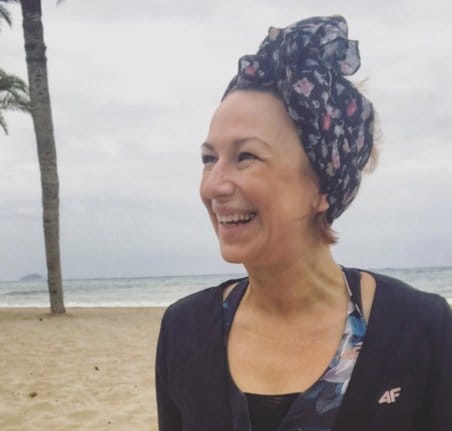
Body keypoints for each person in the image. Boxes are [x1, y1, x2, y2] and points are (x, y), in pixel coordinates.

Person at [155, 15, 452, 431]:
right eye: (209, 158)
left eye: (246, 156)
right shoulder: (183, 330)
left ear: (321, 186)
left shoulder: (420, 328)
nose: (213, 185)